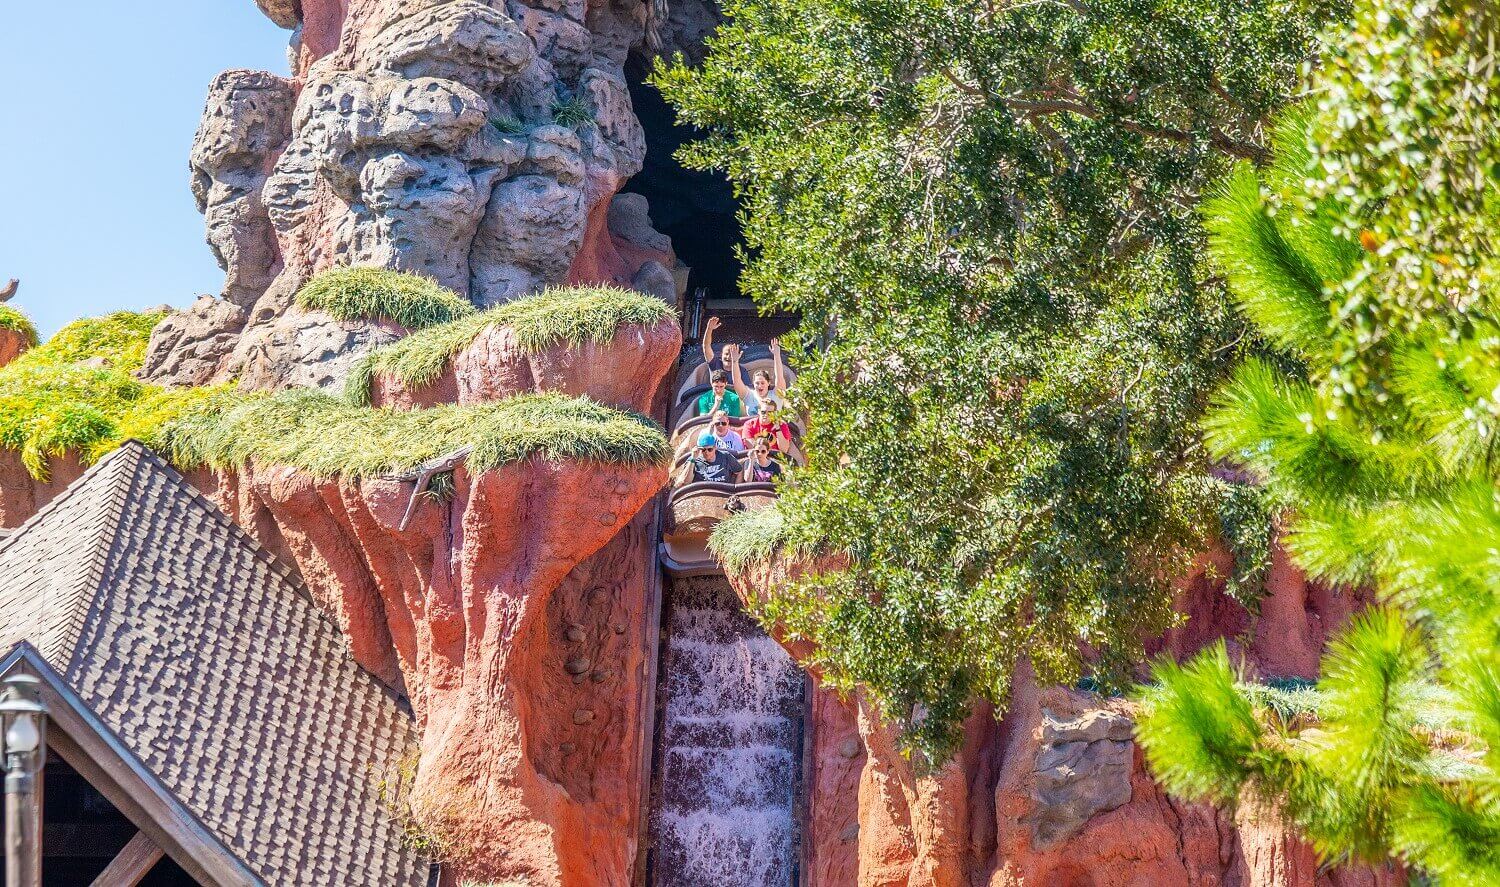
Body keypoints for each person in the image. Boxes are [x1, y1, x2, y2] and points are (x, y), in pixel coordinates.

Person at [731, 337, 788, 417]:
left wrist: (777, 355)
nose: (760, 386)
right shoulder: (749, 395)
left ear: (768, 383)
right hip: (753, 428)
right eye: (757, 383)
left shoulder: (776, 394)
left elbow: (779, 377)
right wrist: (734, 361)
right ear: (753, 384)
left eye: (762, 383)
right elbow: (737, 381)